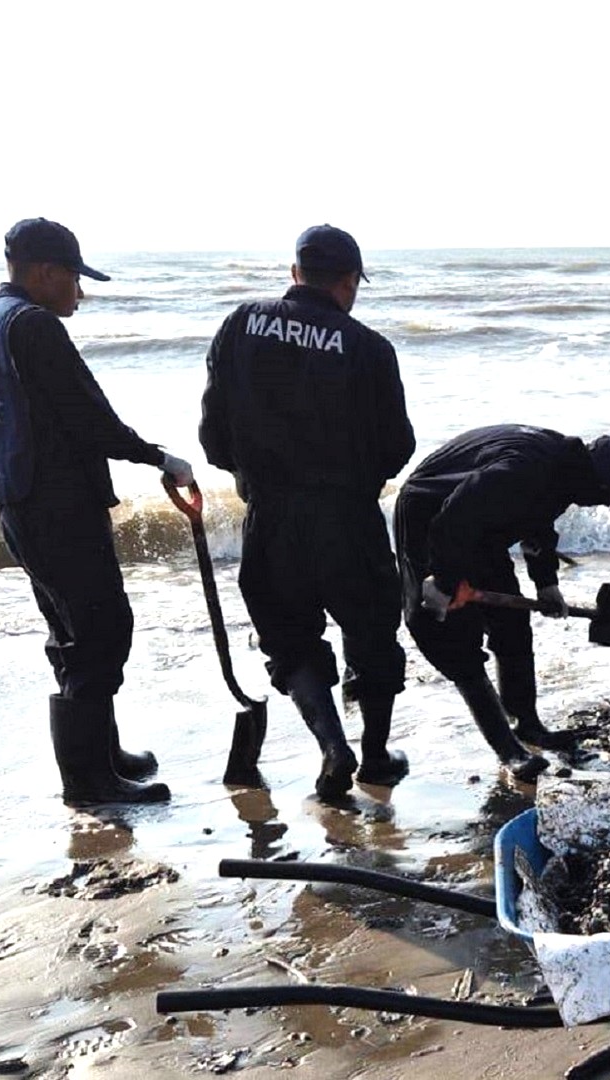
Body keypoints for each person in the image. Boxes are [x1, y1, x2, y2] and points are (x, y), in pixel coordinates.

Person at [0, 218, 190, 806]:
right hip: (58, 504)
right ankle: (89, 783)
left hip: (19, 501)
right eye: (73, 278)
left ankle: (101, 757)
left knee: (70, 631)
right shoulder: (34, 327)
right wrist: (157, 456)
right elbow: (88, 416)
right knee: (102, 628)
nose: (79, 293)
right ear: (45, 273)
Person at [198, 225, 416, 799]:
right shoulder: (370, 348)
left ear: (296, 274)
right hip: (348, 516)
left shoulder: (241, 324)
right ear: (348, 283)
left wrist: (251, 476)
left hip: (271, 518)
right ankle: (373, 757)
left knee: (291, 639)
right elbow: (399, 446)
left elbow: (213, 435)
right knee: (371, 634)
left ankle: (330, 746)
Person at [395, 425, 610, 782]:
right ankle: (509, 751)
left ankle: (526, 724)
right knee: (453, 638)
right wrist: (445, 580)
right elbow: (454, 517)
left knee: (511, 627)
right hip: (430, 515)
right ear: (594, 482)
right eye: (606, 497)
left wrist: (546, 584)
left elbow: (537, 521)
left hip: (480, 528)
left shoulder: (562, 472)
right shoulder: (523, 469)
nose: (603, 504)